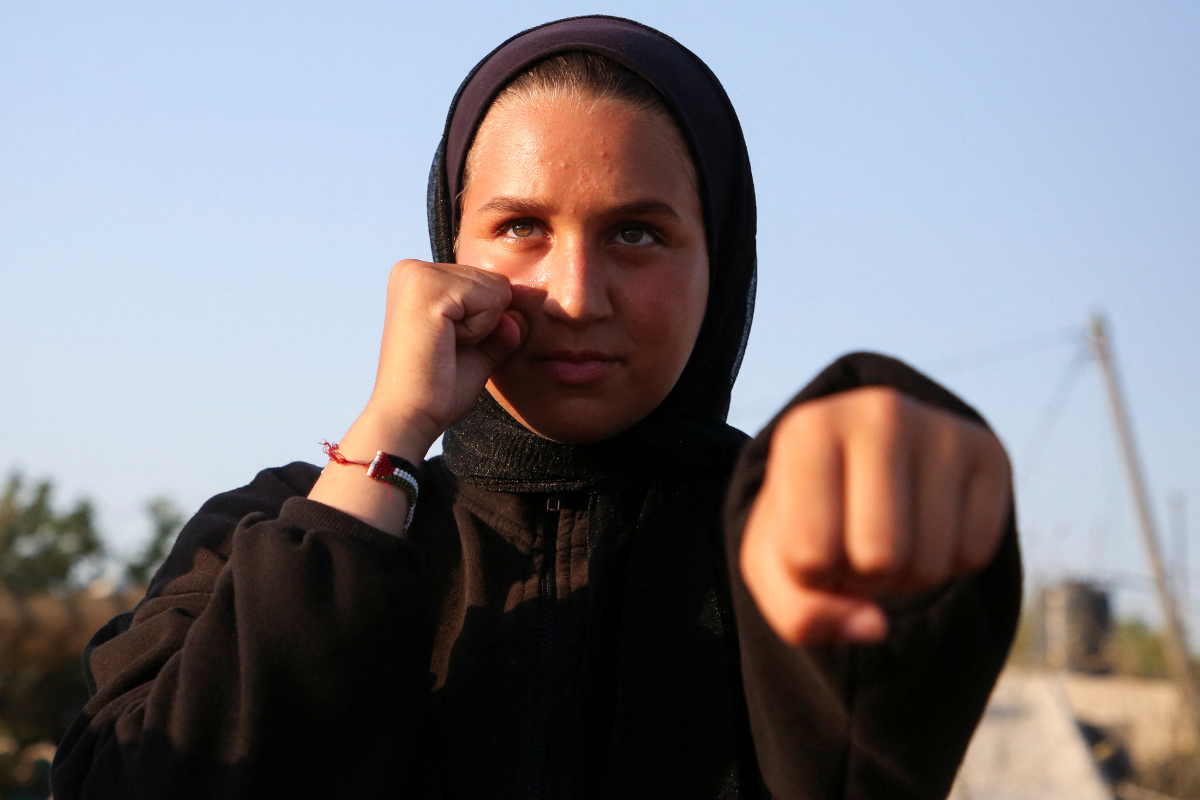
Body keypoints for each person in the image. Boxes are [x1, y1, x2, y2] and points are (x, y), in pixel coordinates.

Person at [52, 16, 1020, 800]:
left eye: (638, 232)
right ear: (444, 247)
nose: (576, 292)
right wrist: (384, 440)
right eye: (521, 227)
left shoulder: (789, 534)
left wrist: (888, 451)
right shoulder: (274, 536)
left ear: (718, 264)